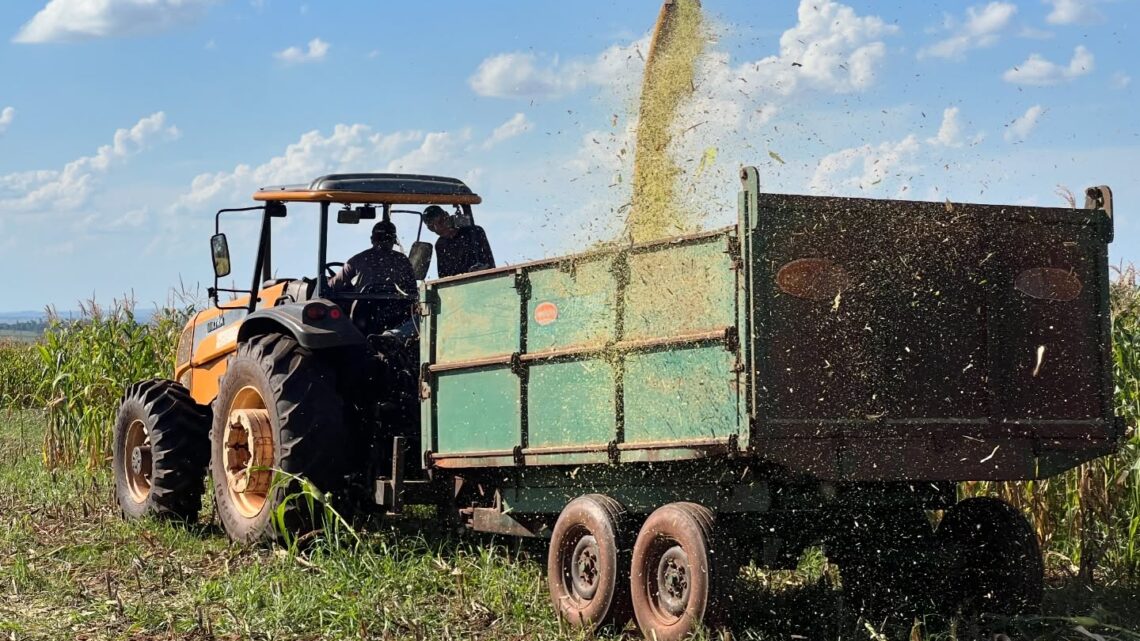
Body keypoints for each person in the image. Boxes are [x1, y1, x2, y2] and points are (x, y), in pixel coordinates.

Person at [328, 220, 415, 296]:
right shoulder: (402, 260)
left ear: (372, 239)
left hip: (363, 313)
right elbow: (412, 289)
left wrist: (328, 281)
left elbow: (335, 285)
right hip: (398, 311)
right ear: (394, 240)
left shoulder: (358, 259)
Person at [422, 205, 495, 278]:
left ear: (447, 215)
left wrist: (481, 269)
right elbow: (443, 276)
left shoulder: (475, 232)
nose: (438, 228)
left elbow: (490, 264)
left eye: (440, 222)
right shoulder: (440, 244)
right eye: (431, 227)